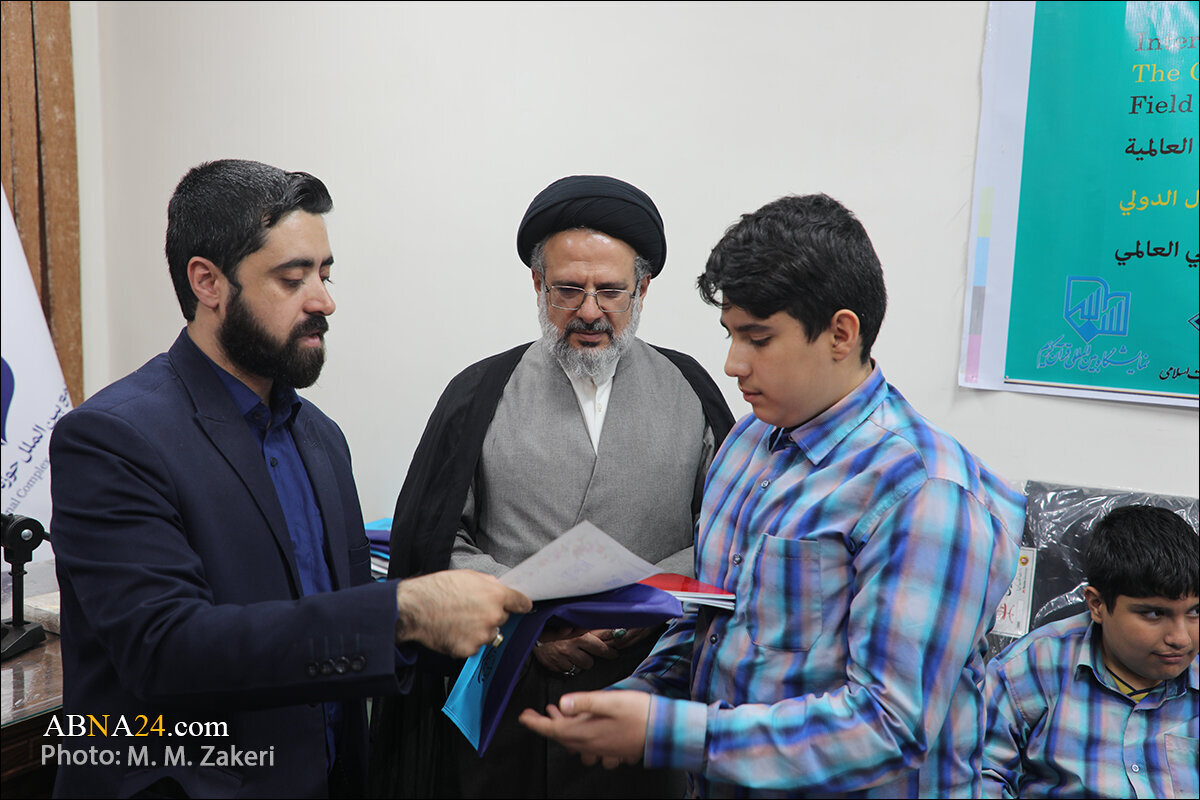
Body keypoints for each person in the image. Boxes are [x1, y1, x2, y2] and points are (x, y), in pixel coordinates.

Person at [48, 159, 531, 799]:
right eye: (292, 278)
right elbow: (167, 650)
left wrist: (469, 624)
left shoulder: (320, 437)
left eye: (325, 274)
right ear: (208, 282)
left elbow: (329, 637)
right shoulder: (112, 438)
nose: (324, 301)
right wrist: (403, 611)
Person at [519, 192, 1028, 797]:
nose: (733, 364)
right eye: (730, 334)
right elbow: (713, 618)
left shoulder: (926, 493)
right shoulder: (747, 444)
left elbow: (888, 727)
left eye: (758, 339)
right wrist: (642, 693)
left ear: (841, 333)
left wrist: (670, 731)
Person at [368, 175, 734, 799]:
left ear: (643, 288)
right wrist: (531, 619)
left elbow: (728, 535)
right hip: (506, 701)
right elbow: (433, 542)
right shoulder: (479, 393)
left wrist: (642, 609)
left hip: (645, 699)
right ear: (537, 285)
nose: (589, 311)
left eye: (610, 291)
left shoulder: (690, 390)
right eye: (568, 289)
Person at [980, 504, 1198, 799]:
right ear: (1097, 605)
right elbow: (980, 780)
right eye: (1154, 614)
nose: (1181, 638)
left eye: (1195, 611)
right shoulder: (1027, 671)